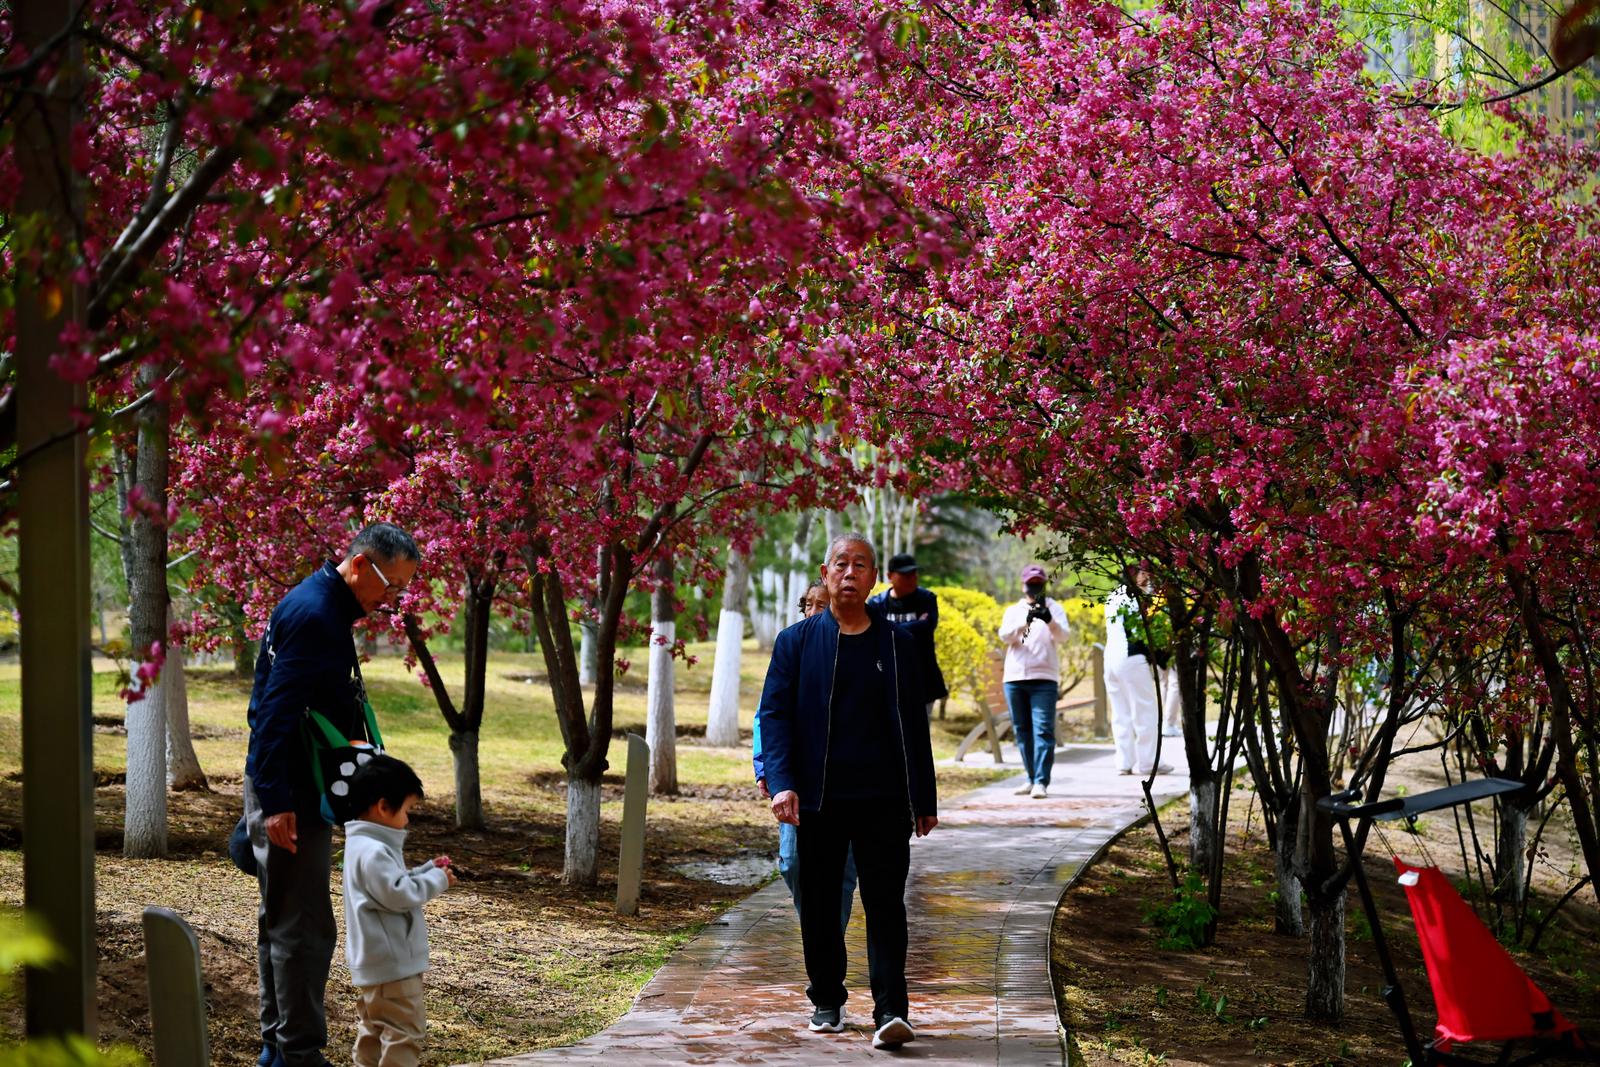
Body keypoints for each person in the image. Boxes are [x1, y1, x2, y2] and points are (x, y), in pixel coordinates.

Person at [244, 523, 420, 1067]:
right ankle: (297, 1054)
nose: (390, 600)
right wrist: (274, 801)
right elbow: (273, 712)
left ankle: (278, 1046)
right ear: (361, 564)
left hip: (291, 783)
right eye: (390, 585)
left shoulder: (314, 600)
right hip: (293, 791)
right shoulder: (318, 615)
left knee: (283, 919)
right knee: (304, 927)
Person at [759, 534, 938, 1051]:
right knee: (818, 903)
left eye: (861, 565)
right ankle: (827, 1000)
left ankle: (890, 1010)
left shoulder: (898, 644)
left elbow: (914, 724)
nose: (851, 572)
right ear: (826, 571)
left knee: (886, 904)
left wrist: (922, 798)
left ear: (873, 577)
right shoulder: (796, 641)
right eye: (842, 563)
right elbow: (774, 715)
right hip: (818, 798)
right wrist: (783, 780)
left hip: (883, 799)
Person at [752, 581, 858, 932]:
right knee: (793, 863)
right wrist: (765, 767)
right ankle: (821, 934)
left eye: (821, 604)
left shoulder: (853, 648)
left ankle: (829, 945)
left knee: (841, 869)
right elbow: (767, 714)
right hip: (797, 782)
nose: (813, 612)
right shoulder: (792, 644)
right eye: (808, 605)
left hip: (846, 783)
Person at [342, 754, 455, 1067]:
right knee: (404, 1032)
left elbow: (390, 886)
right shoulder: (374, 851)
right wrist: (437, 880)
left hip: (375, 968)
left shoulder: (361, 846)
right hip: (393, 968)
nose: (408, 820)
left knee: (373, 1031)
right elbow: (398, 894)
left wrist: (425, 870)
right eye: (407, 810)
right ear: (382, 807)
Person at [997, 564, 1071, 799]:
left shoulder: (1055, 608)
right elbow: (1005, 636)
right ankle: (1030, 778)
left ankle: (1041, 781)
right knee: (1022, 731)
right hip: (1015, 678)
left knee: (1043, 730)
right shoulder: (1013, 610)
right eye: (1031, 585)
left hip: (1044, 679)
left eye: (1038, 585)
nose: (1034, 590)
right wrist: (1025, 622)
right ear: (1023, 585)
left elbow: (1064, 637)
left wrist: (1049, 620)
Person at [1103, 573, 1172, 777]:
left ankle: (1123, 763)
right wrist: (1160, 656)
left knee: (1120, 712)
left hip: (1110, 658)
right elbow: (1139, 633)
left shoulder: (1112, 595)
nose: (1149, 578)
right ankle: (1148, 762)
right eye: (1145, 573)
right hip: (1132, 658)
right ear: (1135, 575)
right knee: (1145, 711)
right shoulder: (1134, 598)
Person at [867, 553, 949, 718]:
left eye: (914, 574)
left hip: (923, 680)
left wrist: (889, 629)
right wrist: (915, 626)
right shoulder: (876, 604)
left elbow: (928, 627)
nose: (911, 578)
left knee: (920, 737)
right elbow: (874, 636)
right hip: (886, 681)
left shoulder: (926, 599)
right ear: (890, 576)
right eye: (905, 575)